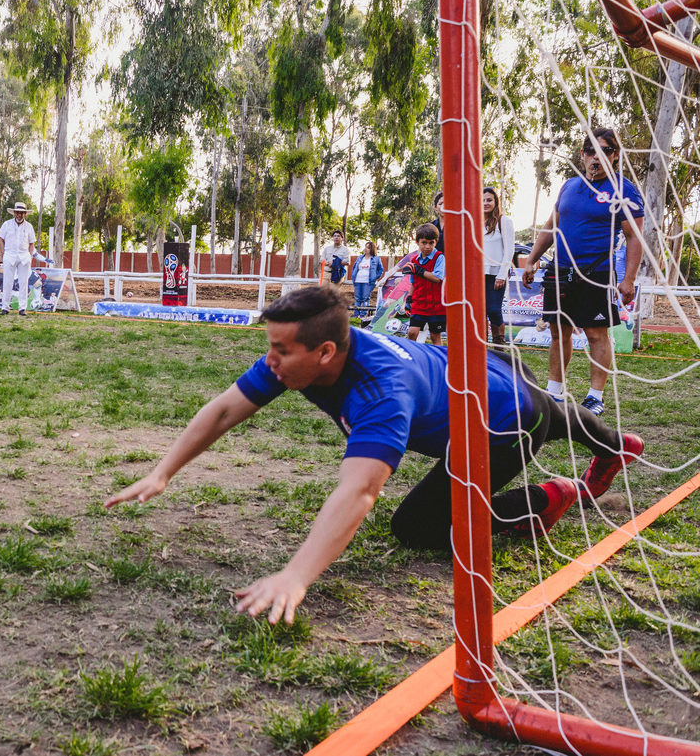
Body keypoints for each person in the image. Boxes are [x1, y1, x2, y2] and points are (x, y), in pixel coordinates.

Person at [104, 286, 643, 625]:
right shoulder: (303, 358)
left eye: (281, 349)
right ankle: (617, 445)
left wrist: (297, 575)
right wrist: (162, 472)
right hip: (483, 365)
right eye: (270, 345)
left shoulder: (379, 392)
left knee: (419, 527)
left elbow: (360, 491)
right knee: (555, 410)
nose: (269, 359)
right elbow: (224, 410)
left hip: (503, 422)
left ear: (325, 353)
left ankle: (552, 496)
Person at [522, 127, 643, 416]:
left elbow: (635, 237)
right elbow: (551, 227)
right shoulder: (568, 186)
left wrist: (629, 279)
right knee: (557, 332)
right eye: (591, 151)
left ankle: (595, 397)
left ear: (615, 156)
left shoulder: (624, 190)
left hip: (596, 273)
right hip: (559, 272)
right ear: (583, 154)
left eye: (605, 151)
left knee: (595, 334)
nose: (596, 158)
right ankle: (553, 392)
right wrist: (531, 259)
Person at [403, 223, 446, 346]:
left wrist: (419, 270)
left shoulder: (439, 257)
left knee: (434, 336)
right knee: (412, 332)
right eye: (424, 242)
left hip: (436, 305)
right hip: (419, 303)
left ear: (436, 242)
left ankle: (440, 361)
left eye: (431, 242)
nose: (427, 246)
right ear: (417, 242)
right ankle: (411, 357)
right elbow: (413, 282)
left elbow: (437, 278)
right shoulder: (414, 261)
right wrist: (409, 299)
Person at [482, 187, 516, 344]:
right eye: (482, 200)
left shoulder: (504, 221)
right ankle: (481, 346)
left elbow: (509, 250)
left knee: (493, 310)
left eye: (489, 200)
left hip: (495, 274)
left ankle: (499, 345)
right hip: (476, 275)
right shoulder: (473, 222)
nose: (485, 203)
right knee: (478, 312)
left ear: (495, 202)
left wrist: (502, 274)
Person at [0, 201, 37, 316]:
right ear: (14, 212)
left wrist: (29, 256)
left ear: (25, 214)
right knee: (7, 282)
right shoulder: (7, 224)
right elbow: (0, 238)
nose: (19, 215)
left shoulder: (29, 226)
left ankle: (22, 308)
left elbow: (32, 243)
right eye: (18, 212)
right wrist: (3, 253)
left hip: (24, 256)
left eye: (22, 213)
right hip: (9, 255)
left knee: (23, 282)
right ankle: (5, 307)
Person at [351, 242, 383, 316]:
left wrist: (375, 277)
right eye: (365, 247)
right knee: (357, 298)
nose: (365, 249)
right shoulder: (360, 257)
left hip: (368, 281)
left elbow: (380, 270)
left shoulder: (376, 259)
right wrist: (353, 276)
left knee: (365, 298)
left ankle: (363, 314)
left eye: (368, 247)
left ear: (372, 249)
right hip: (358, 280)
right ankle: (356, 315)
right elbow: (354, 267)